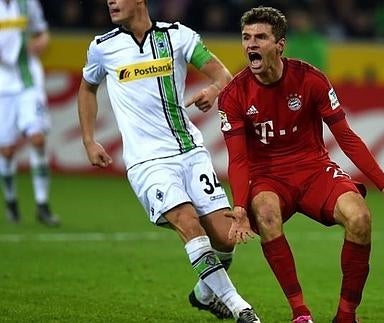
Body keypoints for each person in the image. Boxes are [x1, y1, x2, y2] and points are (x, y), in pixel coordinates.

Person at [218, 6, 384, 323]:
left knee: (360, 218)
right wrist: (240, 207)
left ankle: (345, 316)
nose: (251, 44)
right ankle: (300, 313)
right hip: (267, 177)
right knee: (267, 215)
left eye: (260, 37)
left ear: (279, 45)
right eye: (246, 37)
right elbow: (239, 159)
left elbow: (346, 137)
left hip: (313, 170)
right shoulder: (234, 95)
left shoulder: (310, 80)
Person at [77, 1, 260, 322]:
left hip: (190, 150)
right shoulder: (102, 47)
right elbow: (87, 89)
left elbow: (224, 76)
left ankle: (205, 293)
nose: (110, 2)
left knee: (226, 236)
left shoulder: (178, 37)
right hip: (147, 161)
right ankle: (240, 308)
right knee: (188, 224)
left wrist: (214, 89)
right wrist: (89, 140)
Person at [0, 0, 59, 226]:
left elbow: (42, 32)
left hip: (28, 82)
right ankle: (11, 200)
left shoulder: (27, 3)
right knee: (6, 150)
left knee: (37, 138)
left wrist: (40, 42)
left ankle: (42, 205)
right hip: (3, 86)